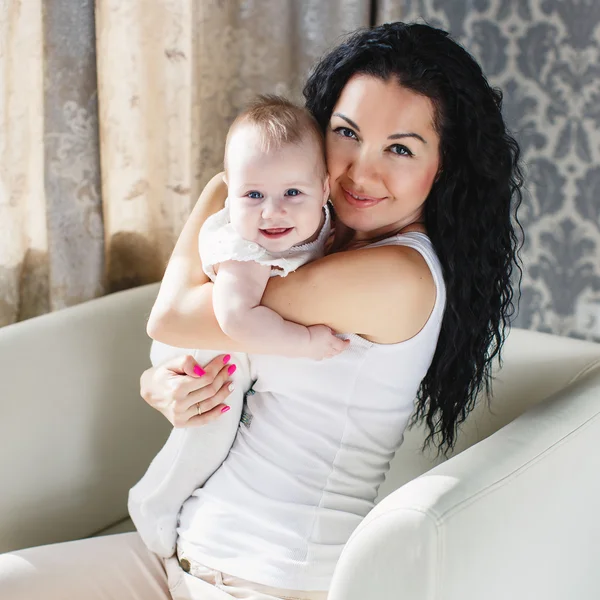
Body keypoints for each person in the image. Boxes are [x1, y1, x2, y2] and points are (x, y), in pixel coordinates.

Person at [0, 21, 522, 600]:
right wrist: (164, 382)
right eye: (345, 133)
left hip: (266, 581)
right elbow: (209, 348)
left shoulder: (394, 276)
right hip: (177, 553)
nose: (359, 170)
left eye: (400, 148)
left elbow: (171, 317)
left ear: (443, 165)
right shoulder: (311, 236)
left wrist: (229, 186)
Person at [129, 95, 348, 558]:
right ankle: (154, 503)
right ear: (230, 192)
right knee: (209, 433)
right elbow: (234, 318)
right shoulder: (243, 251)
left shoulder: (322, 223)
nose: (272, 212)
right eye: (253, 195)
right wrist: (305, 342)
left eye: (293, 193)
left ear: (324, 189)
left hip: (239, 339)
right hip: (203, 347)